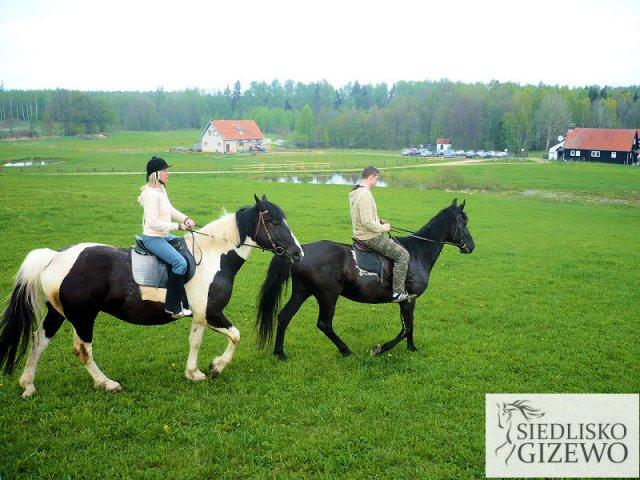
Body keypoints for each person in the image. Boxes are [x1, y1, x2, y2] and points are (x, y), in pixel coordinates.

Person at [138, 156, 195, 318]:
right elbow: (153, 222)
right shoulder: (151, 195)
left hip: (162, 235)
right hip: (153, 238)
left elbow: (170, 210)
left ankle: (182, 298)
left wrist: (185, 218)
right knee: (180, 263)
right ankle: (172, 306)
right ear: (155, 174)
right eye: (164, 171)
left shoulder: (161, 190)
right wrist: (177, 226)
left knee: (183, 246)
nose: (167, 173)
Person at [349, 165, 412, 303]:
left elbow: (365, 218)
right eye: (376, 179)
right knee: (403, 255)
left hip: (361, 234)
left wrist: (378, 221)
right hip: (369, 237)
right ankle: (397, 293)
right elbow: (366, 222)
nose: (376, 182)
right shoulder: (365, 194)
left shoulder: (356, 191)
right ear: (370, 177)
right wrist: (384, 228)